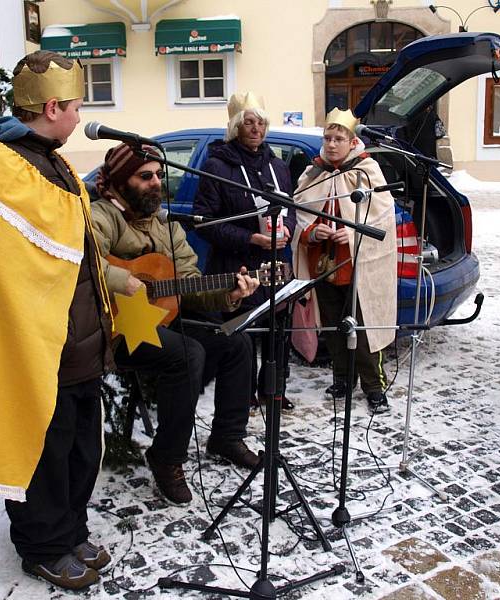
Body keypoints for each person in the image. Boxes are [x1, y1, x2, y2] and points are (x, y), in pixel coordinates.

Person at [0, 51, 113, 591]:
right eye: (75, 106)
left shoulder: (54, 160)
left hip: (81, 340)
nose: (79, 115)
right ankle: (43, 544)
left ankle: (72, 531)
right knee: (44, 452)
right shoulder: (0, 166)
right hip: (38, 346)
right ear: (51, 107)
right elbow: (4, 268)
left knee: (80, 449)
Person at [91, 143, 261, 506]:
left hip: (161, 319)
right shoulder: (100, 216)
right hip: (114, 330)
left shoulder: (167, 226)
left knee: (235, 340)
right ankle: (167, 457)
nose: (155, 183)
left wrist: (230, 294)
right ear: (121, 181)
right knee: (187, 353)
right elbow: (84, 261)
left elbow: (189, 282)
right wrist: (125, 281)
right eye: (144, 176)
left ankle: (227, 436)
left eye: (158, 175)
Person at [193, 91, 296, 409]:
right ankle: (243, 395)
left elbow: (289, 207)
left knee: (278, 332)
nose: (256, 129)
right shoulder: (216, 165)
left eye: (261, 123)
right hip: (236, 266)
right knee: (243, 336)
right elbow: (205, 222)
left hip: (275, 265)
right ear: (236, 127)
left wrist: (289, 227)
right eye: (248, 123)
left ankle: (273, 392)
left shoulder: (278, 166)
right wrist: (250, 239)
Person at [291, 108, 397, 412]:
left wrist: (349, 235)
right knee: (333, 326)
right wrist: (312, 231)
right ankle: (343, 377)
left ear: (352, 142)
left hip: (357, 263)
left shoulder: (367, 171)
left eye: (339, 138)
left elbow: (381, 215)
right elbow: (301, 207)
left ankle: (374, 386)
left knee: (362, 328)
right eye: (328, 138)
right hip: (322, 261)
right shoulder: (314, 171)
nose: (332, 144)